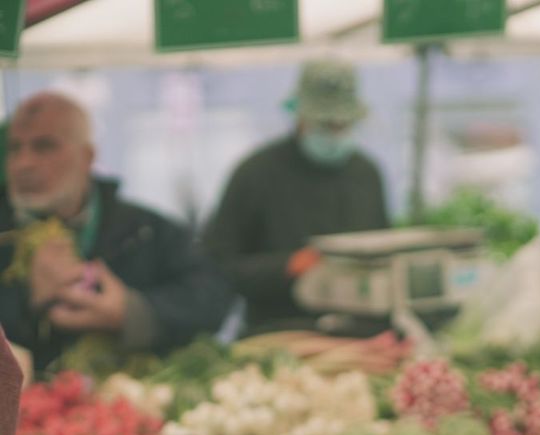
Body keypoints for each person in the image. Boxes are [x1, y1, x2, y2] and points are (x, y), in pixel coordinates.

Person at [0, 92, 233, 369]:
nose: (24, 163)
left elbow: (214, 297)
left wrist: (130, 312)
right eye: (15, 148)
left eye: (45, 146)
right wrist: (28, 299)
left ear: (87, 156)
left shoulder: (144, 229)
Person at [204, 57, 390, 332]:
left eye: (343, 125)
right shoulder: (256, 173)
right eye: (326, 124)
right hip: (277, 333)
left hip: (360, 335)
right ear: (300, 115)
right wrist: (286, 267)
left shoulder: (366, 174)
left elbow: (384, 248)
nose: (335, 133)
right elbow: (215, 266)